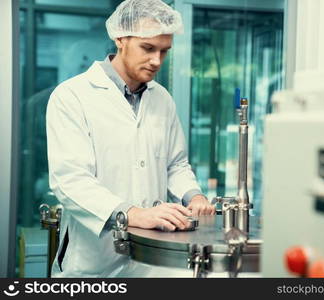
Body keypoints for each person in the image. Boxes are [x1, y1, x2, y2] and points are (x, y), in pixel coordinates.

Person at [46, 0, 215, 277]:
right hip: (93, 261)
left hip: (151, 259)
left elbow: (175, 164)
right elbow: (70, 180)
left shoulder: (162, 99)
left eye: (164, 51)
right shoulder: (72, 96)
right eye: (148, 48)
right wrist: (133, 214)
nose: (157, 61)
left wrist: (193, 195)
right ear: (120, 38)